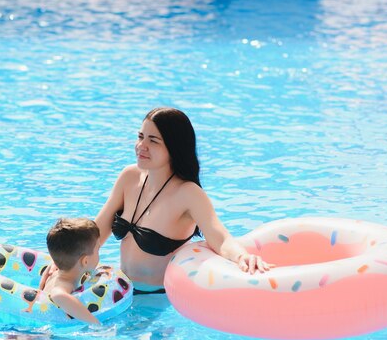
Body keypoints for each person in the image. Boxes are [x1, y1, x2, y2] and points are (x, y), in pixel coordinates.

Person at [43, 107, 274, 295]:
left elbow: (219, 237)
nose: (141, 146)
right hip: (120, 292)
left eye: (153, 140)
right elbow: (95, 233)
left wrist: (242, 256)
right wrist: (64, 265)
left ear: (174, 148)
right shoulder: (129, 177)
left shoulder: (188, 193)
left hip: (158, 303)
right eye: (140, 136)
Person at [39, 217, 101, 324]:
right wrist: (95, 323)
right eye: (98, 250)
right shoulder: (65, 283)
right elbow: (58, 295)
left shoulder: (54, 273)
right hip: (43, 335)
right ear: (85, 261)